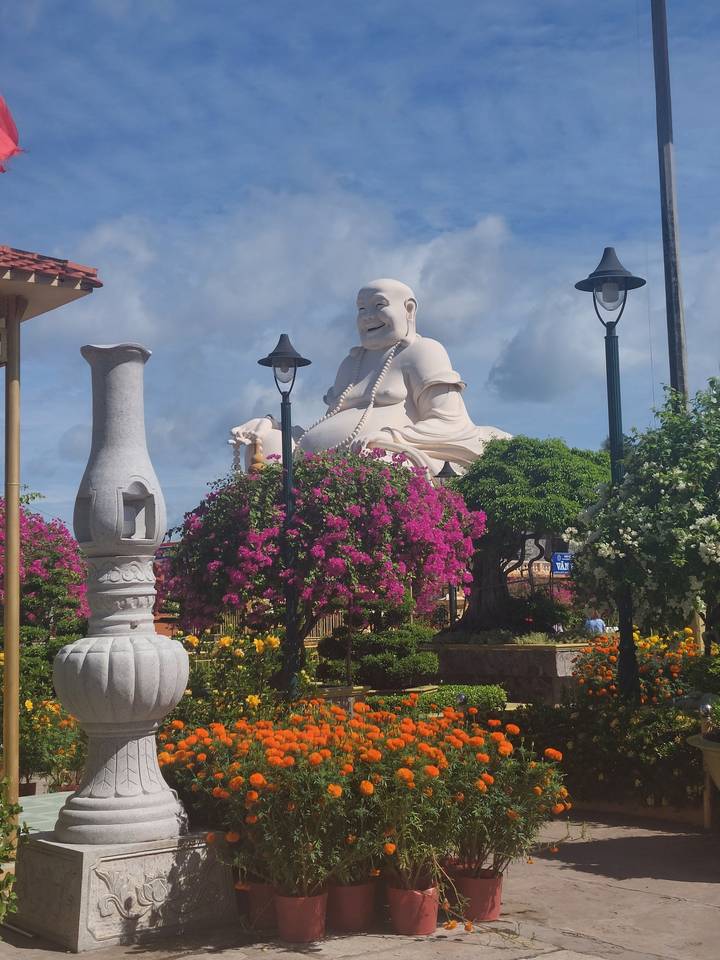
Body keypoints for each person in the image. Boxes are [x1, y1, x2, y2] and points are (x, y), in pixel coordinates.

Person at [230, 278, 509, 473]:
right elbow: (330, 422)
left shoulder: (423, 351)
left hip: (386, 455)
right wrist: (276, 426)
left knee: (379, 462)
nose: (367, 316)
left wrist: (389, 437)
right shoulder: (350, 364)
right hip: (323, 462)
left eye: (379, 305)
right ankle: (267, 539)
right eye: (361, 308)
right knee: (264, 440)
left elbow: (450, 423)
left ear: (408, 309)